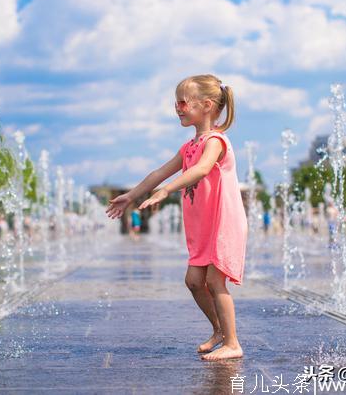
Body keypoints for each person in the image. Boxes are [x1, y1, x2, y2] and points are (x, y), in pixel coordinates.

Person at [106, 74, 247, 361]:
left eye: (183, 103)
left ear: (206, 105)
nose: (177, 108)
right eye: (176, 103)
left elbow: (202, 170)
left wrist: (166, 191)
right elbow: (158, 173)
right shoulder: (188, 147)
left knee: (215, 281)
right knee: (194, 281)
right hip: (202, 226)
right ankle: (219, 330)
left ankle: (233, 343)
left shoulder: (216, 141)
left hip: (223, 223)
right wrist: (131, 195)